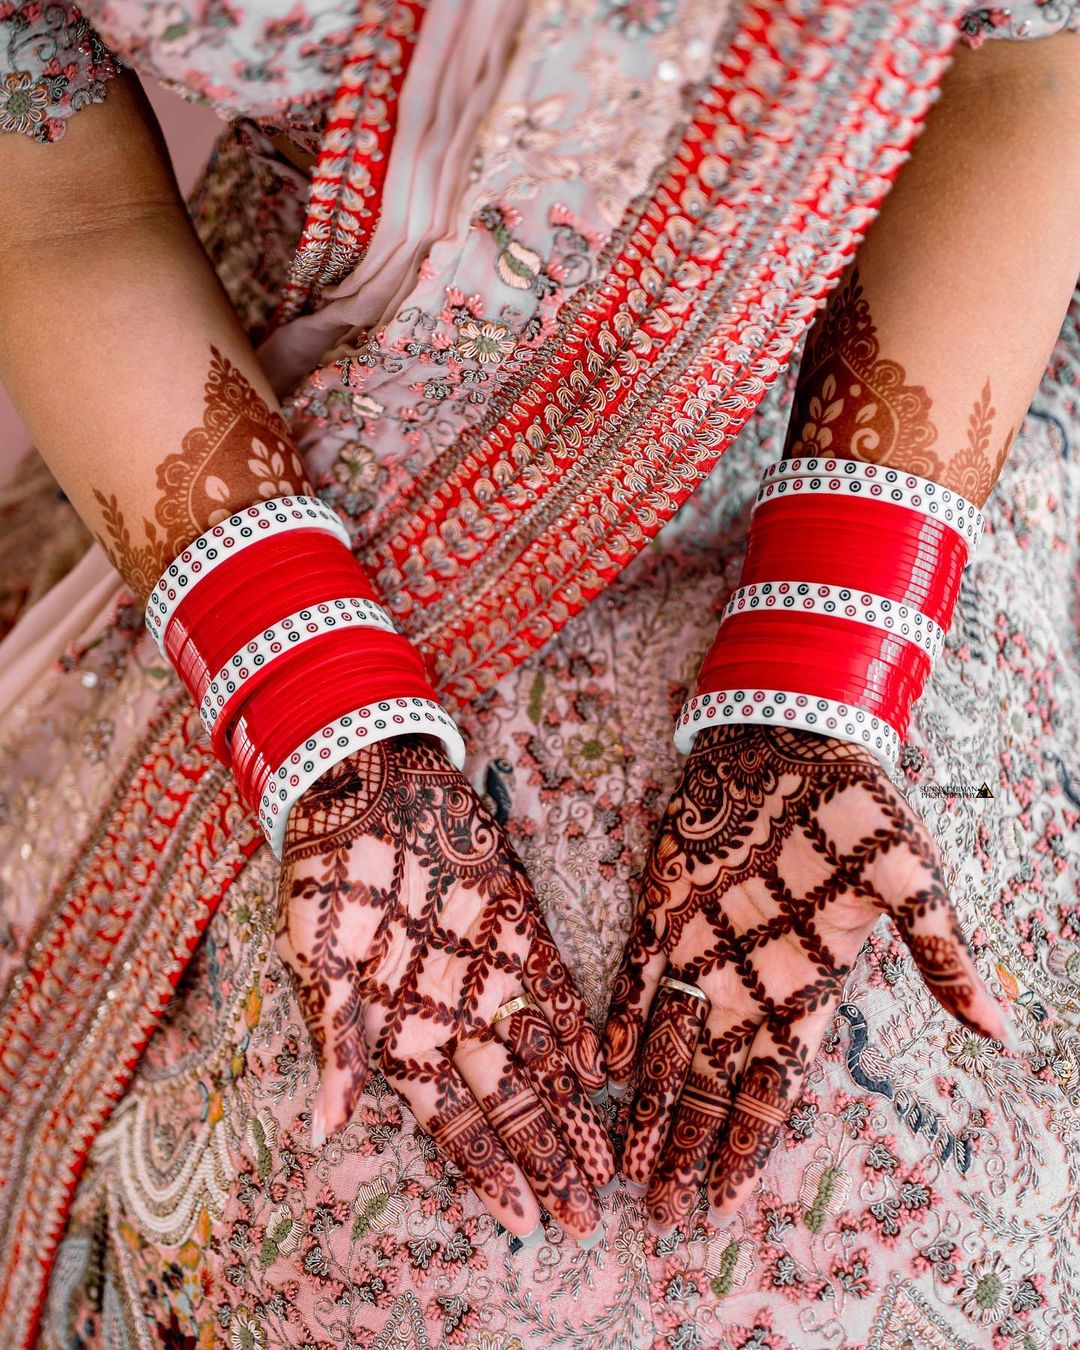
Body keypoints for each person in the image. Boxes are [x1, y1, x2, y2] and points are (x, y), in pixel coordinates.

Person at [0, 1, 1078, 1345]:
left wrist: (825, 669)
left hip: (866, 407)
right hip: (252, 472)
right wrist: (329, 724)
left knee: (940, 1188)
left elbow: (1029, 71)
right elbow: (60, 202)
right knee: (371, 1253)